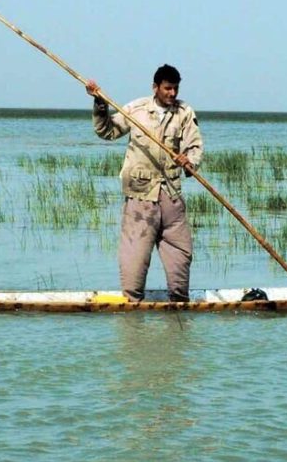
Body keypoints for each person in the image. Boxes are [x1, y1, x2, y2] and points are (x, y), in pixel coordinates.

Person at [85, 64, 203, 302]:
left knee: (181, 256)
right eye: (168, 88)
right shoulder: (135, 110)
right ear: (155, 87)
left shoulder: (184, 112)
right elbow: (107, 131)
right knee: (134, 259)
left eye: (175, 89)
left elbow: (195, 146)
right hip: (140, 197)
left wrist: (188, 161)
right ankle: (132, 313)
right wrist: (100, 103)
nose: (172, 94)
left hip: (171, 195)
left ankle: (179, 307)